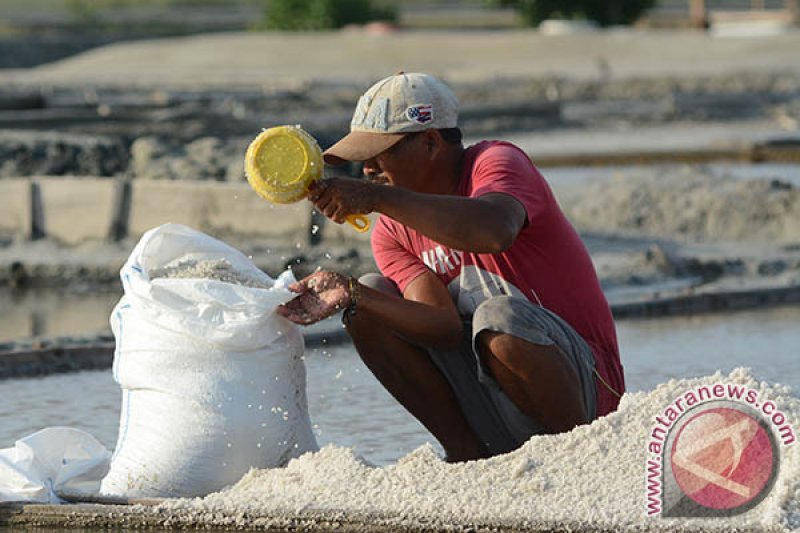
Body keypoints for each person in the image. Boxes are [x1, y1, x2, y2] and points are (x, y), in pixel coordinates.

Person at [277, 72, 625, 462]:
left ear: (429, 142)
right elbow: (440, 327)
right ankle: (466, 450)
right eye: (363, 159)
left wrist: (376, 198)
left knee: (499, 316)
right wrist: (353, 293)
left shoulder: (495, 163)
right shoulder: (392, 231)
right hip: (496, 403)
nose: (368, 169)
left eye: (380, 154)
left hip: (584, 399)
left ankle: (576, 456)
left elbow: (494, 231)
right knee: (369, 300)